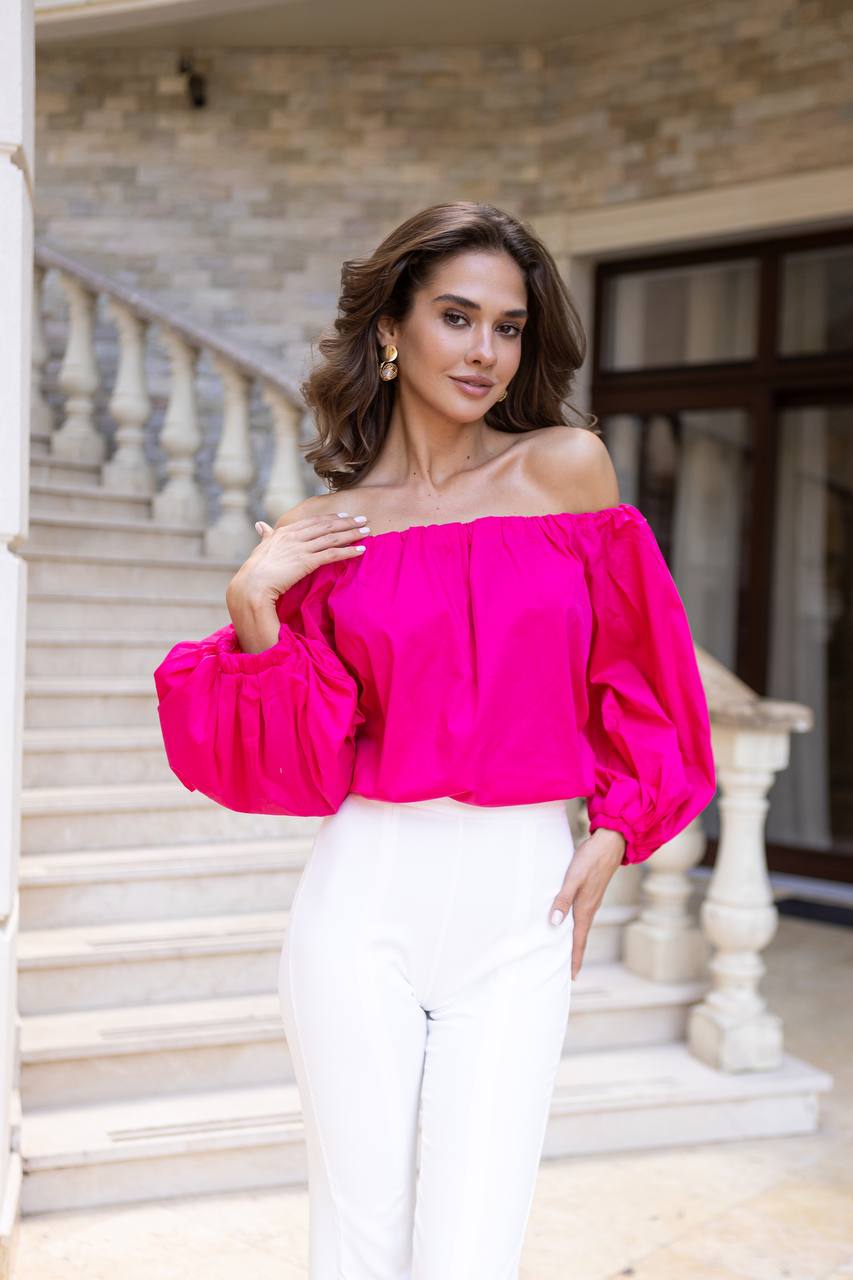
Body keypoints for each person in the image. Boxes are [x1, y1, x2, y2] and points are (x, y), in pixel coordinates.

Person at [153, 201, 717, 1279]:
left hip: (521, 896)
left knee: (472, 1243)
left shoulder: (566, 471)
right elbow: (297, 763)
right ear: (390, 329)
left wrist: (614, 830)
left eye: (507, 327)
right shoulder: (335, 527)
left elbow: (645, 675)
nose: (485, 351)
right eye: (457, 317)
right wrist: (256, 603)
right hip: (362, 893)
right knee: (358, 1235)